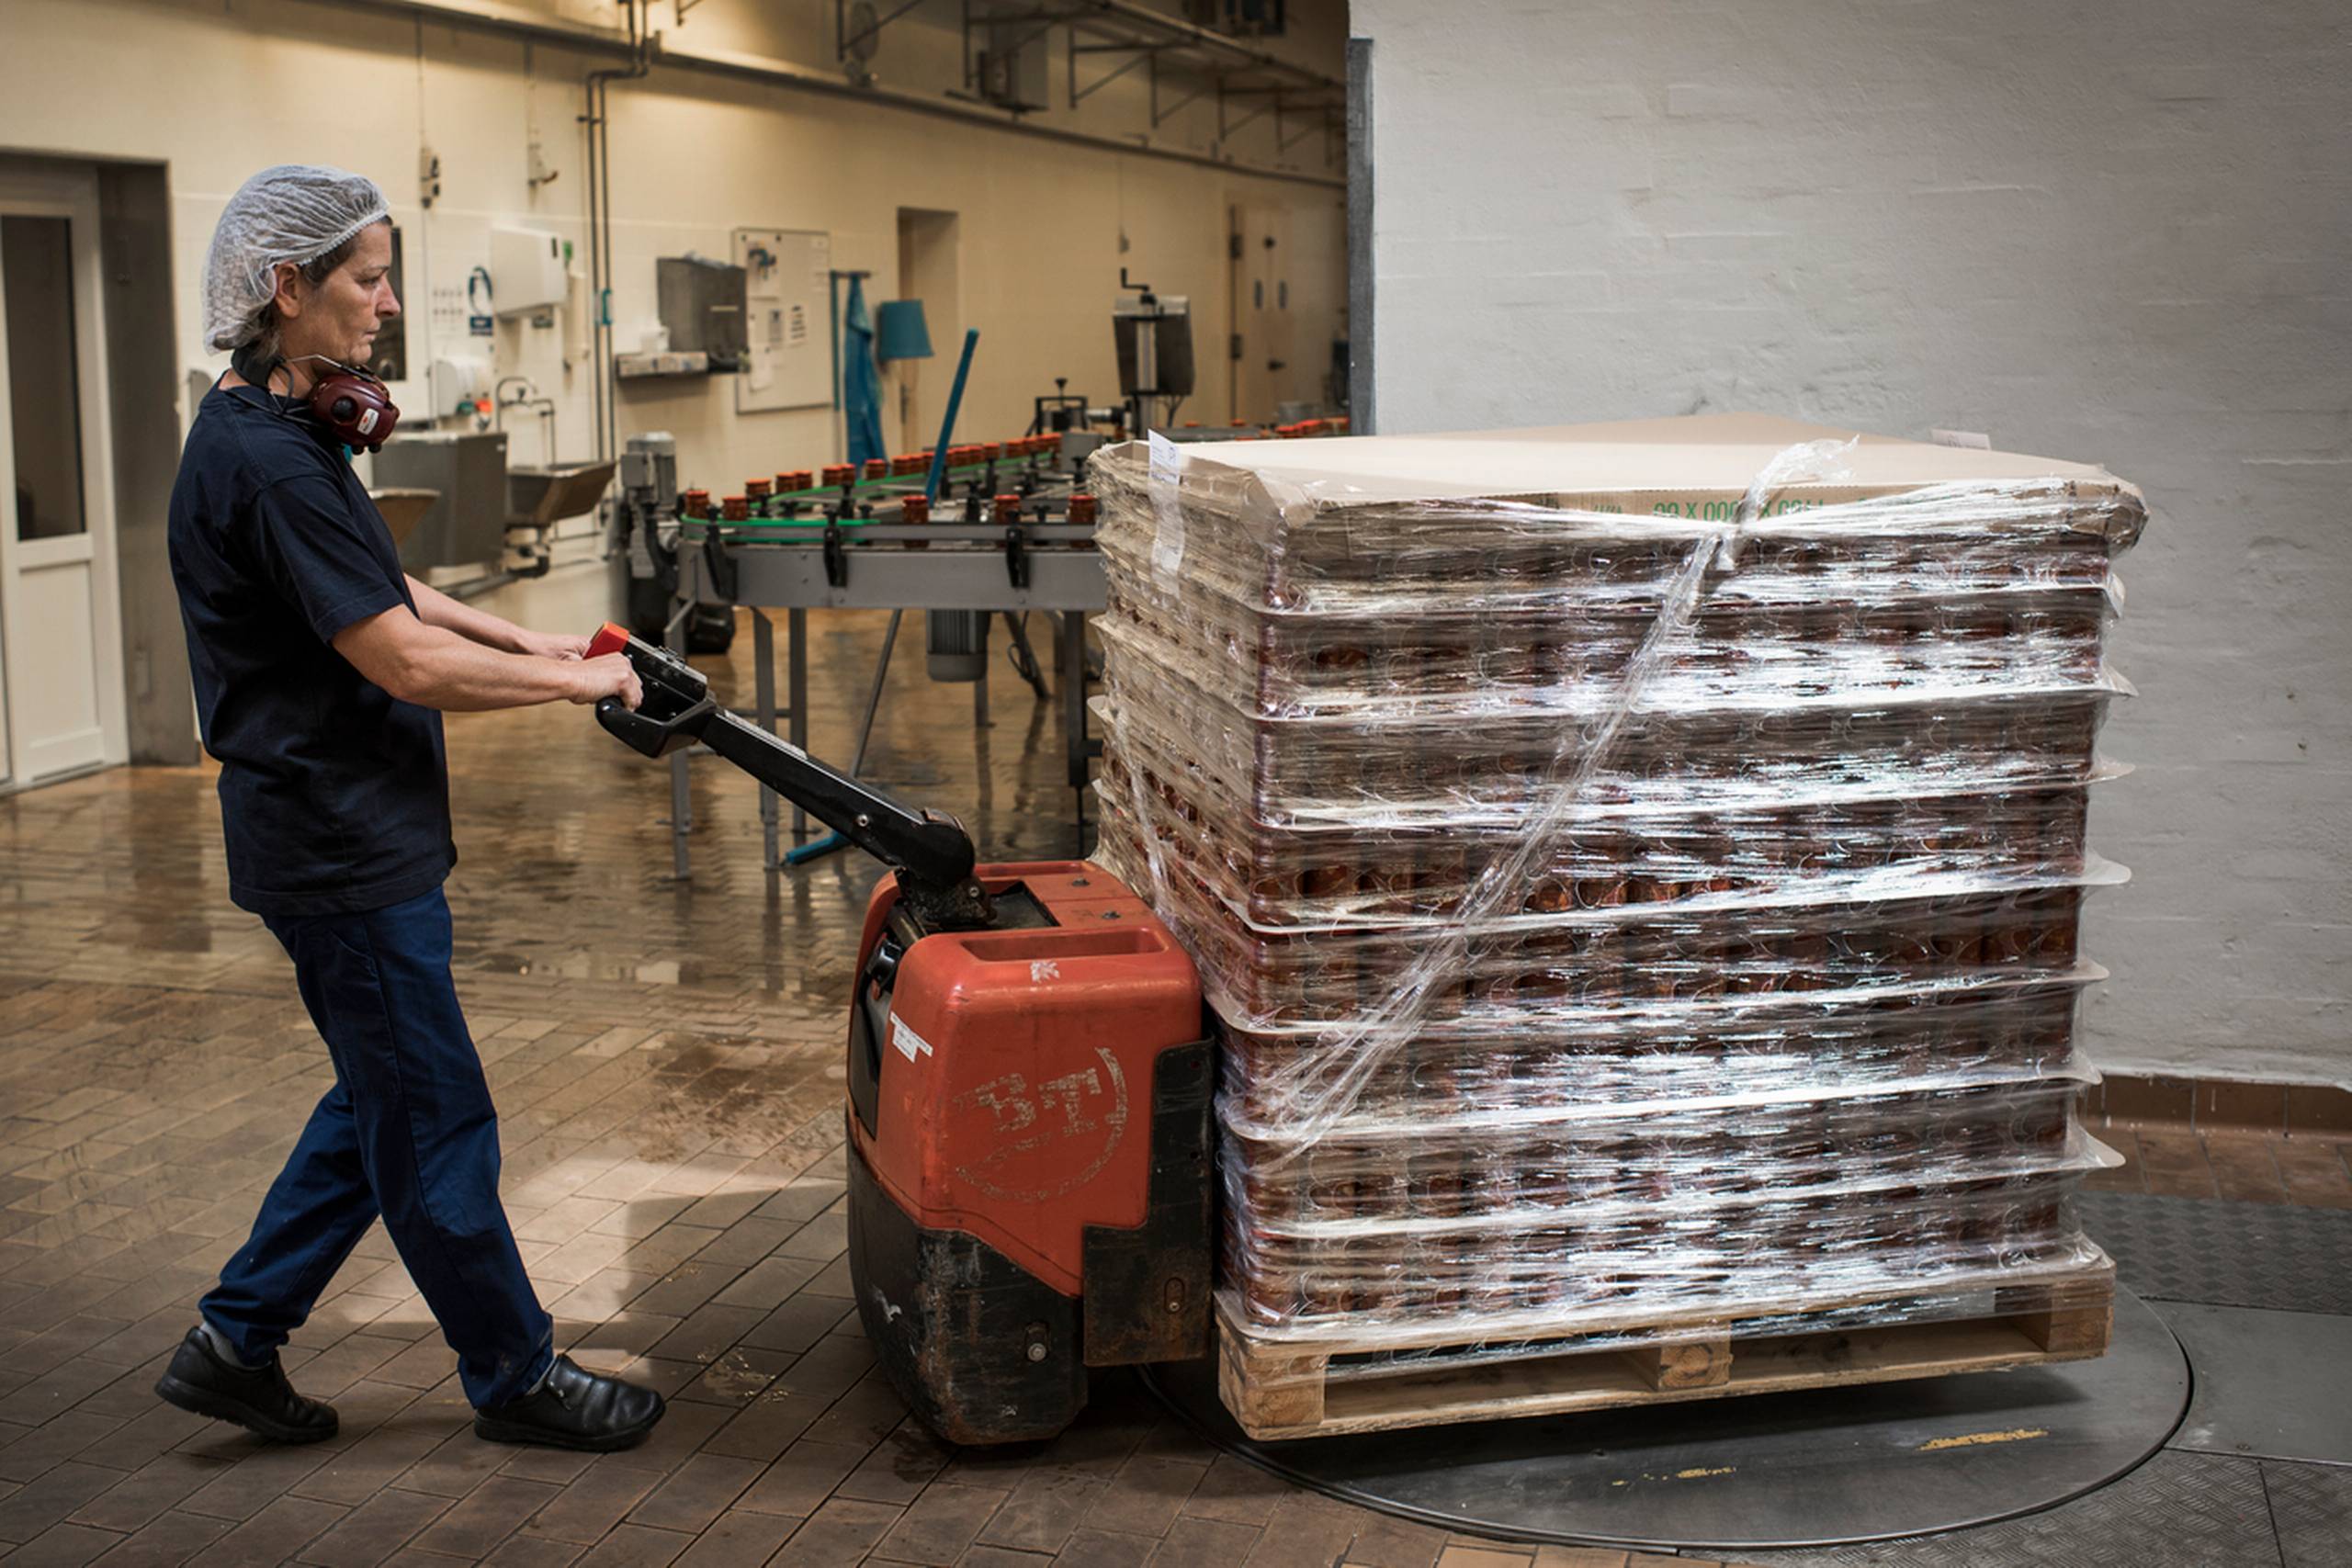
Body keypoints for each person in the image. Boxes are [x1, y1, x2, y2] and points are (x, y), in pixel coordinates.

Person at [157, 164, 662, 1451]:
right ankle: (515, 1373)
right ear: (288, 289)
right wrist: (580, 689)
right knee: (434, 1117)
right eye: (366, 279)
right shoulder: (263, 462)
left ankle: (235, 1339)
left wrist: (550, 648)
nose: (386, 304)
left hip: (357, 833)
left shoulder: (296, 432)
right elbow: (400, 660)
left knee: (377, 1096)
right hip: (336, 843)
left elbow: (401, 593)